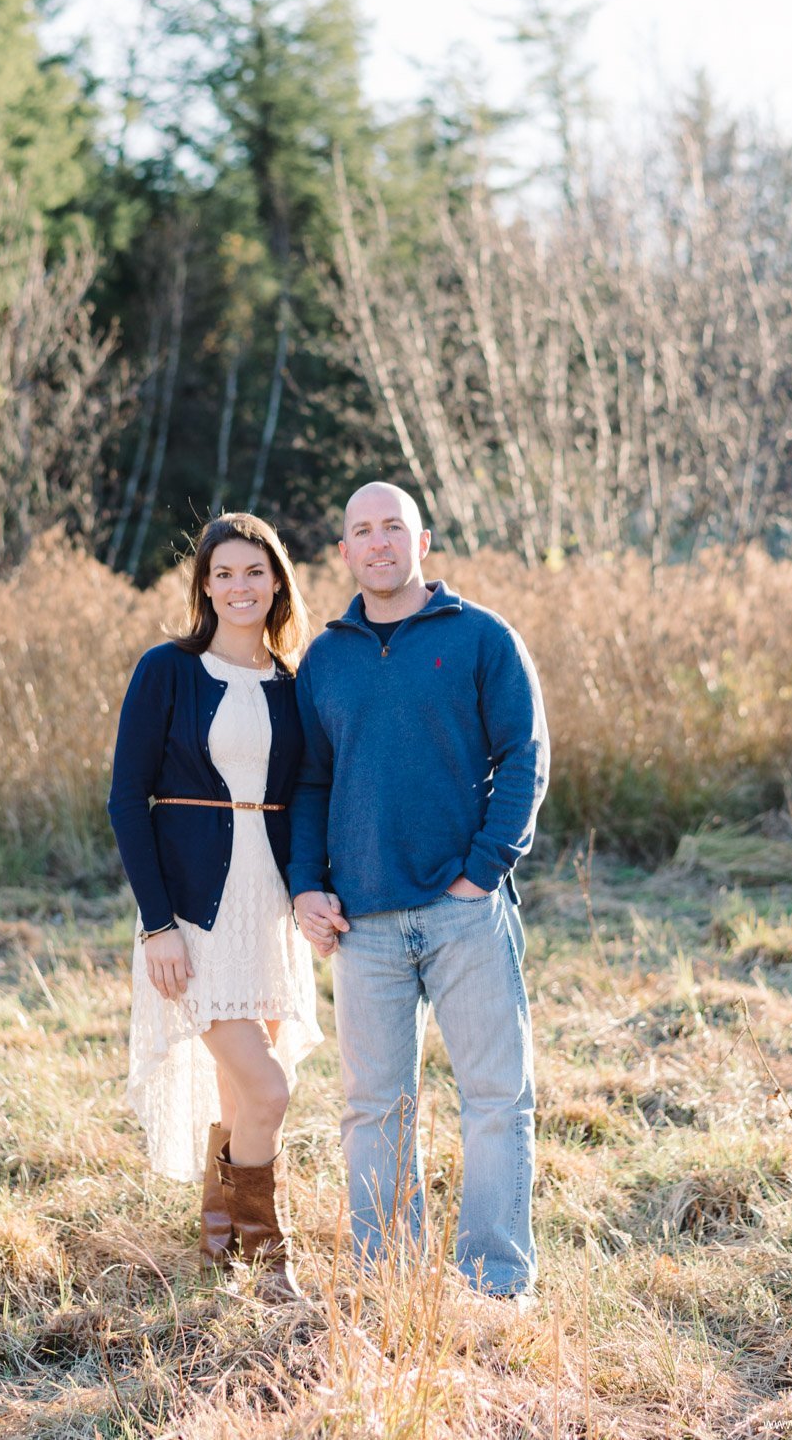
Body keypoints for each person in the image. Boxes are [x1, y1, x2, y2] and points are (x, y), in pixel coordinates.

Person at [289, 482, 548, 1301]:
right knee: (373, 1109)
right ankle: (387, 1276)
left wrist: (484, 870)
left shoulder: (480, 637)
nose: (377, 542)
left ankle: (494, 1279)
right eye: (360, 529)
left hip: (463, 909)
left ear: (422, 539)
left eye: (391, 526)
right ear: (343, 551)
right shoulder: (325, 658)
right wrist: (305, 886)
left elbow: (525, 755)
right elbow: (308, 783)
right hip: (361, 924)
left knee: (495, 1099)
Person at [107, 512, 321, 1301]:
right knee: (268, 1090)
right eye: (223, 573)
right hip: (192, 917)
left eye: (254, 572)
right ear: (204, 583)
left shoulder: (293, 684)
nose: (239, 586)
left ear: (277, 582)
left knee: (242, 1091)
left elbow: (305, 797)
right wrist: (157, 924)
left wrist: (311, 892)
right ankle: (269, 1265)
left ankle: (217, 1246)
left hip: (267, 911)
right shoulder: (167, 669)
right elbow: (128, 800)